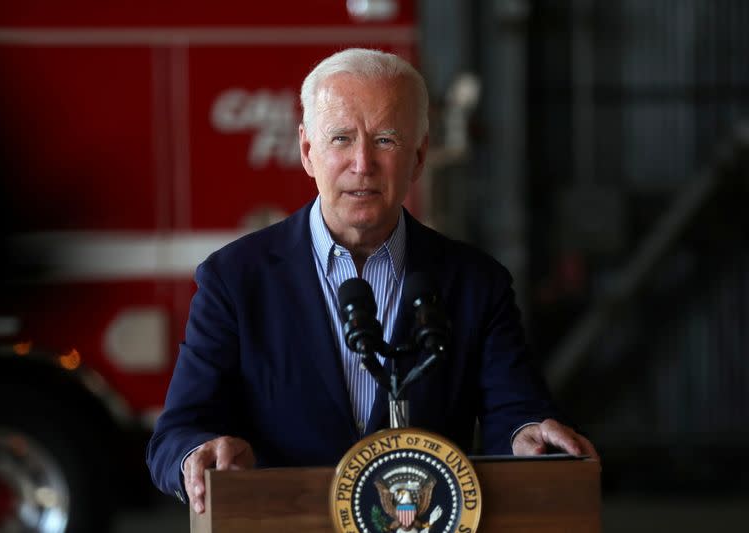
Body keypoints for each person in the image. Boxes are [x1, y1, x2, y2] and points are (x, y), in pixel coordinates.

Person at [146, 48, 598, 513]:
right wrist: (195, 457)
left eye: (385, 140)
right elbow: (176, 436)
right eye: (341, 139)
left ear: (419, 156)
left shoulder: (476, 283)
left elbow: (515, 413)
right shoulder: (235, 280)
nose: (362, 164)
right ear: (307, 151)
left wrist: (530, 437)